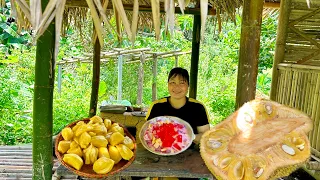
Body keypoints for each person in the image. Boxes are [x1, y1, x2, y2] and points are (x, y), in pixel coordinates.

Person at [145, 67, 210, 145]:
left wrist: (191, 137)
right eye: (172, 82)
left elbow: (206, 136)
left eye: (182, 83)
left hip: (191, 153)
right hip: (161, 152)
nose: (176, 87)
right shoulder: (157, 106)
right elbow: (147, 133)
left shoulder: (198, 107)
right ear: (168, 85)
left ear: (188, 86)